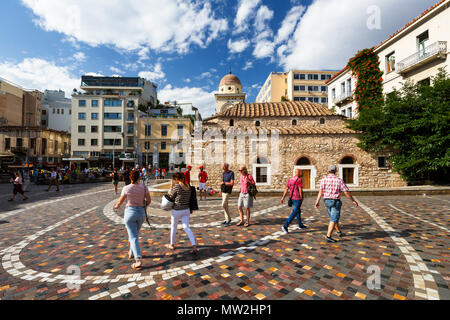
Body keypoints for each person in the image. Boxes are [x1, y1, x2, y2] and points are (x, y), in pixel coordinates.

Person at [114, 169, 151, 270]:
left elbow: (120, 201)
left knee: (133, 237)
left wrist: (116, 206)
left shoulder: (126, 188)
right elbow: (149, 201)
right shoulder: (144, 187)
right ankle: (131, 253)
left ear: (130, 177)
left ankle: (138, 259)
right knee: (134, 234)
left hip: (130, 213)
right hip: (141, 214)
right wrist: (144, 206)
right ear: (139, 177)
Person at [315, 165, 359, 243]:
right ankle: (328, 236)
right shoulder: (339, 180)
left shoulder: (323, 180)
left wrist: (317, 201)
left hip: (327, 201)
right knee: (333, 219)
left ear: (328, 171)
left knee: (333, 217)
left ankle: (338, 231)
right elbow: (346, 192)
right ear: (335, 171)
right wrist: (353, 200)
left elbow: (321, 191)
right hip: (335, 201)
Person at [168, 172, 198, 254]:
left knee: (173, 227)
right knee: (186, 227)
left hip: (177, 210)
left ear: (177, 179)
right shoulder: (188, 186)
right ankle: (194, 245)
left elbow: (171, 197)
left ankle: (172, 244)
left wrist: (171, 186)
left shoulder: (177, 186)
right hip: (186, 210)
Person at [281, 169, 307, 234]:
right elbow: (300, 190)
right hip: (297, 198)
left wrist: (283, 197)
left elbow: (286, 188)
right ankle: (285, 226)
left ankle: (300, 225)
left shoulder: (290, 179)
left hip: (292, 198)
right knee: (294, 212)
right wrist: (302, 197)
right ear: (298, 173)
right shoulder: (299, 180)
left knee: (298, 211)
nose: (301, 173)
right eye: (300, 172)